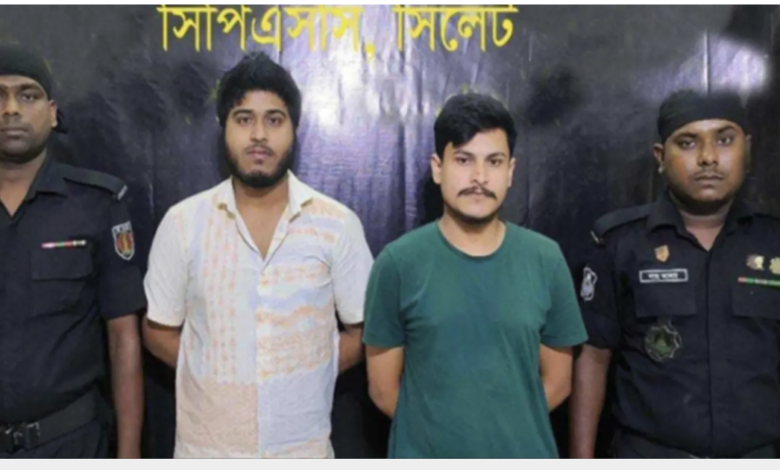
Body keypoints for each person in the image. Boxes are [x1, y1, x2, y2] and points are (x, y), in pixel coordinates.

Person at [142, 52, 374, 458]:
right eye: (244, 119)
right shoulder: (183, 224)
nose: (259, 135)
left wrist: (304, 376)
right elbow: (158, 331)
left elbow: (364, 330)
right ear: (224, 128)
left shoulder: (337, 225)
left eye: (274, 120)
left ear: (294, 129)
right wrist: (215, 375)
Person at [362, 93, 588, 458]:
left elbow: (559, 383)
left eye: (493, 162)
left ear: (510, 171)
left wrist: (497, 435)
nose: (479, 177)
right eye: (464, 160)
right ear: (438, 168)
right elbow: (383, 390)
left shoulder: (545, 259)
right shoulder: (398, 264)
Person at [570, 89, 780, 459]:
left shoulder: (773, 241)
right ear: (660, 157)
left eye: (724, 140)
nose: (708, 157)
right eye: (688, 142)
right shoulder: (621, 243)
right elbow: (594, 358)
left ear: (746, 149)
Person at [0, 44, 145, 458]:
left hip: (69, 445)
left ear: (52, 113)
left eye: (27, 95)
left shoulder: (96, 204)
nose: (11, 109)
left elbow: (123, 338)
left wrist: (130, 456)